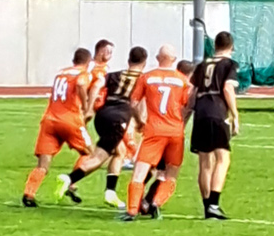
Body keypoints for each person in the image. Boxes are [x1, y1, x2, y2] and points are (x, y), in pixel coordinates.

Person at [22, 48, 109, 205]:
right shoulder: (83, 73)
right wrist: (86, 105)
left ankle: (29, 193)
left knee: (43, 164)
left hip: (50, 120)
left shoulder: (61, 73)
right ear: (88, 62)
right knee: (90, 154)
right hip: (70, 119)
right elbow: (81, 83)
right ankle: (71, 182)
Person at [120, 47, 192, 221]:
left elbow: (133, 103)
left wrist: (139, 121)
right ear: (174, 59)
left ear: (158, 57)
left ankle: (132, 210)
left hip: (153, 130)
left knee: (140, 171)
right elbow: (186, 105)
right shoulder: (183, 80)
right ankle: (156, 202)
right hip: (175, 131)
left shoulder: (146, 77)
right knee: (171, 173)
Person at [190, 31, 240, 220]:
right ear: (231, 47)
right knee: (222, 158)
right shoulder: (229, 64)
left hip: (201, 112)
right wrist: (235, 114)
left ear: (215, 46)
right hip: (216, 111)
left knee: (204, 162)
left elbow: (193, 92)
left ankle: (207, 206)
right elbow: (227, 88)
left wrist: (187, 114)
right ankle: (214, 204)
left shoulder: (202, 64)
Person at [94, 46, 145, 208]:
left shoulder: (112, 74)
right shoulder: (143, 79)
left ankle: (110, 192)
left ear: (128, 60)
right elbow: (136, 103)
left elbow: (96, 86)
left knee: (119, 152)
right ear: (144, 62)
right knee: (97, 155)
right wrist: (140, 120)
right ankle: (70, 179)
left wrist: (90, 106)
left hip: (102, 115)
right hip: (119, 117)